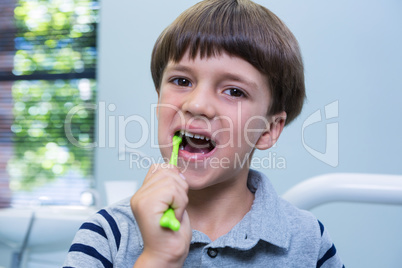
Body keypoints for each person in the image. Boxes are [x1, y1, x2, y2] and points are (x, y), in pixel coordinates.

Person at [64, 0, 344, 267]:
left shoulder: (311, 241)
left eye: (234, 91)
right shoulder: (107, 235)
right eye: (182, 81)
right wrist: (158, 258)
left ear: (268, 130)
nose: (196, 104)